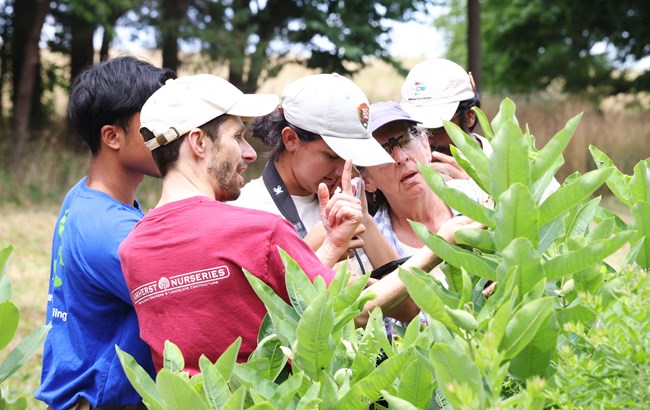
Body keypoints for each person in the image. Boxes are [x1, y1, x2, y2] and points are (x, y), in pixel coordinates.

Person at [118, 74, 481, 374]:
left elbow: (264, 308)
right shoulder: (255, 227)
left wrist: (330, 249)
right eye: (237, 136)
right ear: (197, 142)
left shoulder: (131, 248)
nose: (248, 152)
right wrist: (443, 242)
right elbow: (354, 310)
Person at [36, 56, 176, 410]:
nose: (169, 131)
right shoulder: (110, 230)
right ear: (112, 136)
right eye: (153, 121)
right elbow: (189, 299)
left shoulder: (85, 196)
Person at [233, 73, 399, 274]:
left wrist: (365, 219)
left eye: (351, 158)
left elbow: (408, 305)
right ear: (290, 139)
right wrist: (317, 249)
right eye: (331, 156)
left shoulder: (348, 204)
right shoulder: (246, 211)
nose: (343, 170)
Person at [360, 101, 489, 286]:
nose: (400, 158)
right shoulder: (371, 246)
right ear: (367, 181)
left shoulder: (479, 198)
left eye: (404, 141)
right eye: (383, 152)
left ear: (426, 146)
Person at [400, 58, 560, 196]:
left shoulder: (518, 168)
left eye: (438, 127)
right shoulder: (402, 171)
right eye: (414, 130)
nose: (425, 140)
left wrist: (478, 190)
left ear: (470, 116)